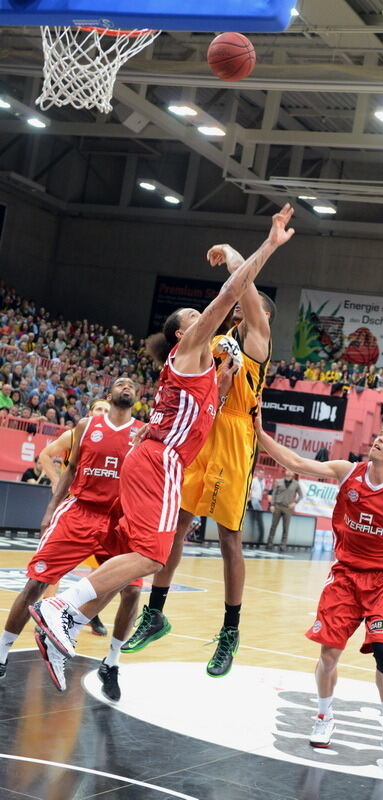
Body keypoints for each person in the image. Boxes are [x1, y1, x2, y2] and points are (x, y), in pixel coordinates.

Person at [28, 204, 295, 688]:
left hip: (190, 446)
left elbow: (240, 309)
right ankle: (67, 610)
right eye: (196, 315)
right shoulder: (198, 343)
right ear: (183, 330)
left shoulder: (227, 352)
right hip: (168, 456)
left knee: (161, 550)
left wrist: (227, 385)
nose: (209, 314)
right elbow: (234, 292)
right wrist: (262, 248)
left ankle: (70, 616)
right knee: (156, 552)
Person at [255, 416, 383, 767]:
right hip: (345, 576)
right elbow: (296, 462)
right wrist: (259, 433)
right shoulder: (348, 471)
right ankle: (324, 716)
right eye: (379, 435)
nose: (378, 439)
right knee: (328, 655)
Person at [121, 243, 277, 679]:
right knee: (177, 527)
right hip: (200, 433)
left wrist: (233, 257)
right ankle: (155, 612)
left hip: (233, 440)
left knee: (229, 539)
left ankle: (230, 630)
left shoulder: (258, 345)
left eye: (254, 306)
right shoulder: (213, 341)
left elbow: (243, 288)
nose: (248, 309)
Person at [0, 378, 144, 700]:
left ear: (136, 398)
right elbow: (70, 468)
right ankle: (2, 653)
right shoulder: (85, 425)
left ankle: (112, 663)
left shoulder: (143, 432)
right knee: (36, 583)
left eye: (131, 385)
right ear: (109, 394)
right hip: (80, 512)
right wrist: (51, 507)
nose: (126, 386)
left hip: (120, 521)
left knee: (132, 594)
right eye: (120, 383)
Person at [38, 396, 113, 636]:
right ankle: (47, 613)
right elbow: (45, 455)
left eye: (106, 410)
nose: (102, 412)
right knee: (56, 564)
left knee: (101, 568)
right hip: (72, 505)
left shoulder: (115, 441)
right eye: (98, 409)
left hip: (99, 510)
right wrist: (57, 481)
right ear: (89, 413)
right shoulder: (73, 436)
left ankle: (90, 614)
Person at [266, 470, 303, 551]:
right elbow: (274, 493)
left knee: (286, 527)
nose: (289, 472)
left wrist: (295, 503)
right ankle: (269, 543)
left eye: (291, 471)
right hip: (277, 506)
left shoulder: (296, 484)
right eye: (287, 470)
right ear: (285, 472)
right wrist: (272, 505)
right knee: (273, 526)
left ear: (293, 473)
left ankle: (283, 545)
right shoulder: (278, 481)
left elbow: (301, 495)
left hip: (288, 508)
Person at [248, 470, 265, 544]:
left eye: (262, 474)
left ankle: (259, 539)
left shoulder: (263, 482)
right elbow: (250, 489)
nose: (261, 475)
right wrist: (250, 497)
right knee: (257, 518)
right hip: (253, 501)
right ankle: (254, 539)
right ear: (257, 474)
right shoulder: (254, 480)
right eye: (260, 473)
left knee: (258, 520)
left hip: (258, 500)